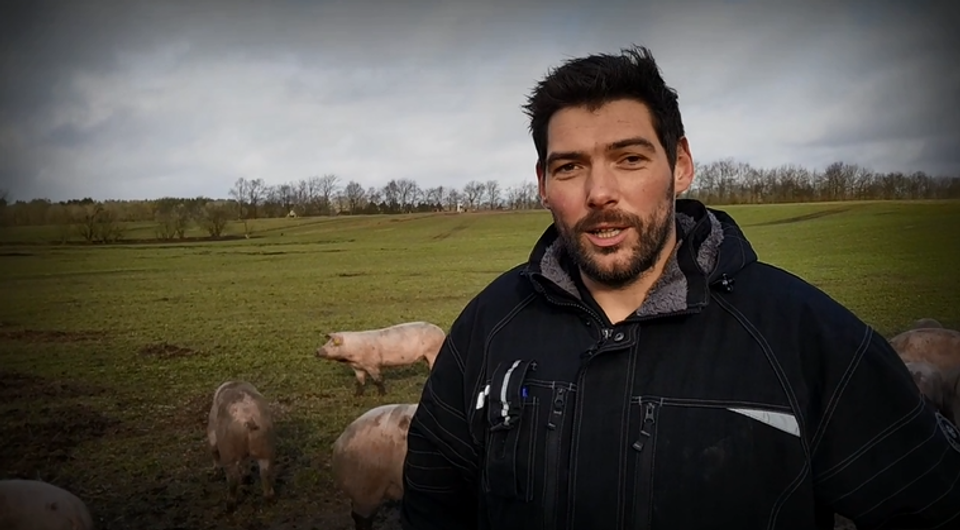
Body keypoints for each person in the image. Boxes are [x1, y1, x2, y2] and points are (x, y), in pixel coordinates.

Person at [398, 45, 960, 530]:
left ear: (681, 165)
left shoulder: (805, 337)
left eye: (629, 158)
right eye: (569, 167)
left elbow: (933, 504)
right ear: (543, 184)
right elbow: (432, 499)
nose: (600, 192)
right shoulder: (489, 325)